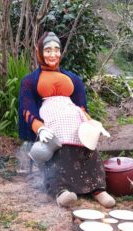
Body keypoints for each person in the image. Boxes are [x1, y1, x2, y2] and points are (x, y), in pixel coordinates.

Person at [18, 32, 115, 208]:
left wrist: (91, 124)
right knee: (58, 154)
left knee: (89, 149)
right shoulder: (30, 81)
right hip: (52, 129)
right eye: (48, 50)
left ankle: (98, 189)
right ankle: (61, 190)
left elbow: (82, 107)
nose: (53, 54)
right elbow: (27, 109)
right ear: (40, 52)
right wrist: (39, 128)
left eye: (56, 50)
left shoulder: (73, 79)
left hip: (77, 126)